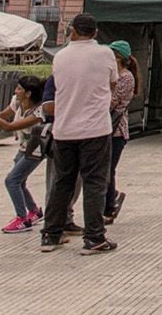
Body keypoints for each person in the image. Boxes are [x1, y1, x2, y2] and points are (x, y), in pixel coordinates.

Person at [38, 13, 118, 256]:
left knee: (62, 182)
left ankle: (51, 234)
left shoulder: (60, 56)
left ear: (72, 31)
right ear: (95, 32)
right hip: (95, 128)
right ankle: (94, 237)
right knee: (94, 182)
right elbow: (112, 82)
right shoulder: (105, 54)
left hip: (64, 128)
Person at [0, 75, 49, 233]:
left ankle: (22, 219)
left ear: (28, 93)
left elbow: (8, 127)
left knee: (12, 181)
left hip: (35, 149)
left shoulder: (37, 113)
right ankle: (34, 211)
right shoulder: (17, 101)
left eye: (19, 88)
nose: (15, 91)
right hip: (23, 147)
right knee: (19, 181)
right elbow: (3, 116)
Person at [105, 41, 138, 223]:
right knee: (104, 169)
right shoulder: (112, 75)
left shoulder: (126, 77)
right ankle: (112, 198)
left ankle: (109, 207)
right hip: (105, 128)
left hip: (116, 129)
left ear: (117, 57)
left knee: (108, 169)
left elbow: (112, 102)